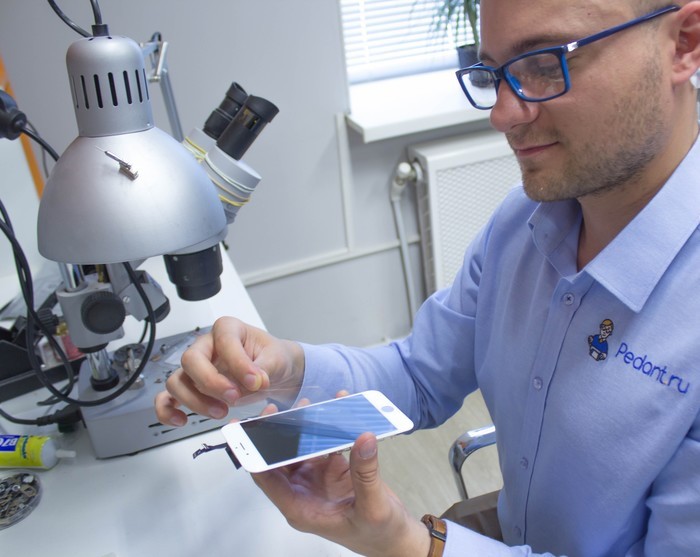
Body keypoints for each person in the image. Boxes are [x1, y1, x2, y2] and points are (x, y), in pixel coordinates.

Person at [155, 0, 700, 555]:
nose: (502, 114)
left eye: (544, 63)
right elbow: (418, 378)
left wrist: (413, 544)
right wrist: (282, 369)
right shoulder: (524, 225)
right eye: (492, 74)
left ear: (683, 44)